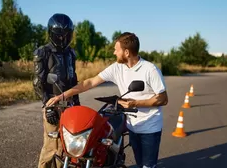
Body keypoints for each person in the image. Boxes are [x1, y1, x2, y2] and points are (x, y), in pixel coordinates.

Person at [45, 32, 168, 168]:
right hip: (133, 125)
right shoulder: (117, 68)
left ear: (126, 52)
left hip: (150, 127)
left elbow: (163, 99)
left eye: (117, 49)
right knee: (139, 163)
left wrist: (135, 103)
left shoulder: (150, 70)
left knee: (148, 166)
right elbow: (90, 82)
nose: (114, 52)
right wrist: (62, 96)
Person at [32, 13, 80, 168]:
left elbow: (73, 80)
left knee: (67, 146)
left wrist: (77, 104)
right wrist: (48, 106)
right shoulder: (42, 52)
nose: (63, 39)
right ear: (52, 34)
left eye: (66, 35)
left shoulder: (71, 53)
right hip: (52, 103)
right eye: (59, 35)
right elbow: (37, 82)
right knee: (51, 146)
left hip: (70, 104)